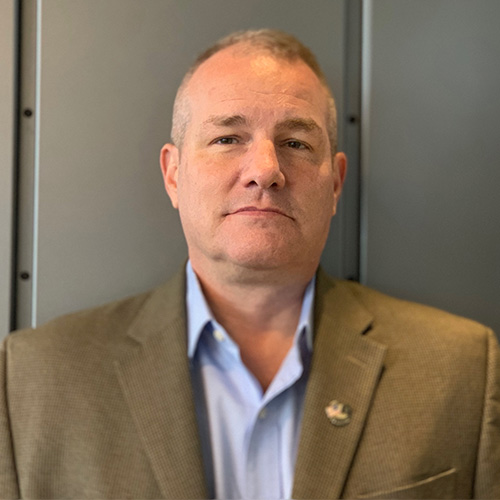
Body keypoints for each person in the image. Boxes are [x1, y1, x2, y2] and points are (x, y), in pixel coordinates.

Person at [0, 29, 499, 500]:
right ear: (174, 175)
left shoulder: (461, 369)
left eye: (296, 143)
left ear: (336, 183)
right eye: (226, 138)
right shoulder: (31, 380)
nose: (265, 170)